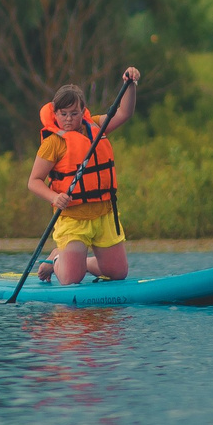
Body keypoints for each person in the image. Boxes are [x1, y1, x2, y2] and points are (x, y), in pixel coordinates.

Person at [26, 67, 140, 286]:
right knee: (71, 279)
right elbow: (34, 181)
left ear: (83, 111)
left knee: (118, 274)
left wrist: (130, 85)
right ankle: (57, 258)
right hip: (73, 220)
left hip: (103, 215)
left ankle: (80, 262)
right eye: (63, 114)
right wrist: (53, 197)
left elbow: (125, 113)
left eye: (74, 113)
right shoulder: (53, 143)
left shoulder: (96, 126)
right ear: (55, 113)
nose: (68, 119)